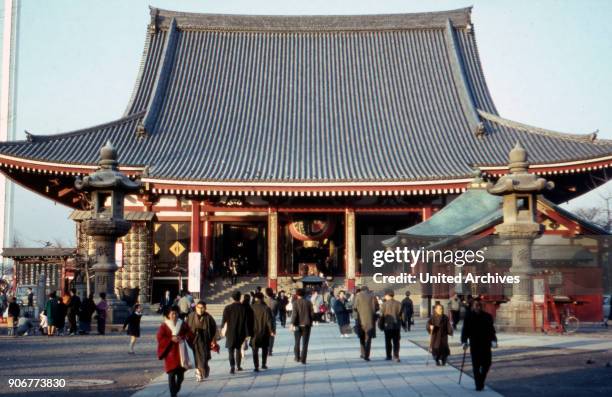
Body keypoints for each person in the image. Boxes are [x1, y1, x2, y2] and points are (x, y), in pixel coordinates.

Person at [157, 306, 194, 397]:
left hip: (181, 351)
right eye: (172, 313)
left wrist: (183, 337)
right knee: (171, 374)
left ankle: (177, 388)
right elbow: (160, 338)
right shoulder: (164, 326)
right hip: (170, 353)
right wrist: (171, 339)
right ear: (168, 315)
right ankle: (173, 394)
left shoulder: (183, 324)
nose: (174, 315)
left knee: (181, 376)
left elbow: (189, 333)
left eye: (176, 313)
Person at [461, 300, 497, 391]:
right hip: (475, 344)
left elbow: (492, 330)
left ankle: (481, 379)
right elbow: (465, 331)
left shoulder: (487, 316)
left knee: (487, 364)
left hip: (486, 344)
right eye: (476, 305)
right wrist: (464, 341)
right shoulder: (468, 317)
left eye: (479, 305)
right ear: (473, 306)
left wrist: (494, 340)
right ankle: (478, 384)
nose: (478, 307)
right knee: (476, 366)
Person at [187, 301, 217, 381]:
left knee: (204, 358)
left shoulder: (208, 317)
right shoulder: (191, 316)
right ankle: (198, 372)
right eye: (199, 308)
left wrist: (213, 340)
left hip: (205, 340)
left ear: (205, 308)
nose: (200, 310)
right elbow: (186, 327)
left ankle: (203, 368)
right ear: (196, 307)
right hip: (194, 341)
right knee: (196, 357)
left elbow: (214, 329)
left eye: (202, 308)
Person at [221, 290, 249, 374]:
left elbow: (223, 321)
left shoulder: (227, 308)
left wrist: (222, 328)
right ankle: (238, 366)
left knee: (230, 350)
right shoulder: (244, 308)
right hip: (241, 331)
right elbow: (246, 322)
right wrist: (247, 333)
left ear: (232, 298)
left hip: (230, 332)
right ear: (240, 297)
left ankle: (232, 366)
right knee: (238, 349)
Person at [250, 292, 275, 372]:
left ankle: (256, 366)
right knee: (264, 348)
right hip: (264, 331)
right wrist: (271, 330)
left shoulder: (251, 307)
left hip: (254, 332)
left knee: (255, 349)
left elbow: (248, 320)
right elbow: (269, 321)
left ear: (256, 298)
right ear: (262, 298)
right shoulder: (266, 308)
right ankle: (263, 364)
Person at [354, 286, 378, 361]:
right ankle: (367, 356)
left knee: (361, 337)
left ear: (361, 290)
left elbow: (354, 307)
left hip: (360, 320)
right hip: (370, 321)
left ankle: (363, 353)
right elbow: (377, 308)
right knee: (368, 338)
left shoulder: (358, 296)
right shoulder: (373, 296)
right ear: (368, 290)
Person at [291, 288, 314, 364]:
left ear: (297, 295)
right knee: (305, 343)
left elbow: (294, 314)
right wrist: (311, 321)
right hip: (306, 325)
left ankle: (297, 357)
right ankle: (303, 359)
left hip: (297, 325)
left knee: (297, 341)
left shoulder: (295, 303)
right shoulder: (309, 302)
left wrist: (291, 324)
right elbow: (312, 314)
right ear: (304, 294)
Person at [380, 290, 402, 362]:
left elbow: (382, 316)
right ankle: (396, 356)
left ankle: (388, 356)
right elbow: (402, 315)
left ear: (387, 295)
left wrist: (381, 325)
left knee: (388, 342)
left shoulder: (384, 304)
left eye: (385, 295)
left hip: (387, 326)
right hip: (396, 326)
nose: (384, 297)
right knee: (396, 342)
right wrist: (403, 324)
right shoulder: (399, 304)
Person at [264, 288, 279, 356]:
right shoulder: (275, 302)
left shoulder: (264, 301)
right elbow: (276, 313)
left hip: (264, 320)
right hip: (272, 319)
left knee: (265, 335)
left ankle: (266, 349)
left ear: (266, 293)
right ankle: (270, 351)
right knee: (272, 335)